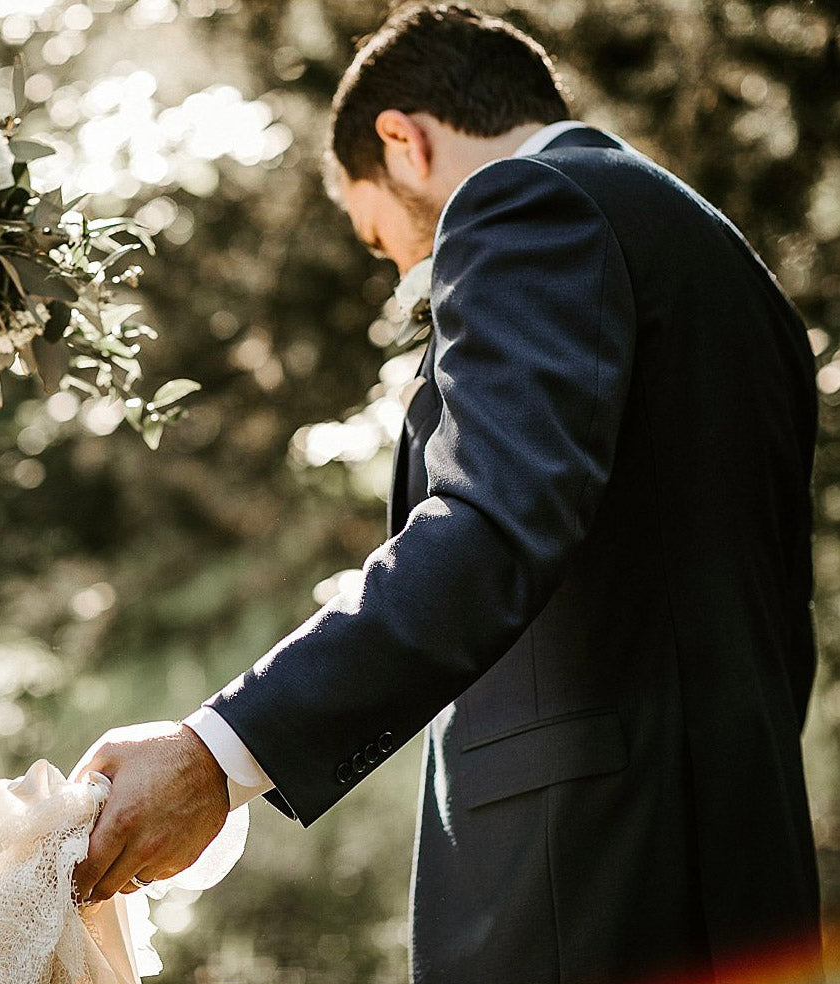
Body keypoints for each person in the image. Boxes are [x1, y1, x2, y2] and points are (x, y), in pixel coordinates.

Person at [73, 5, 824, 982]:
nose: (403, 267)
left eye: (381, 232)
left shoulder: (525, 201)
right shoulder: (723, 260)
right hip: (743, 851)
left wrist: (221, 753)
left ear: (403, 140)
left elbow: (486, 526)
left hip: (581, 874)